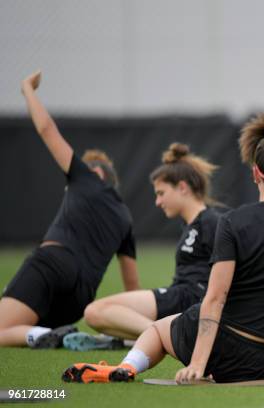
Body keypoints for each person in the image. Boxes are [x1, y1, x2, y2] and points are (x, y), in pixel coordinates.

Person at [62, 113, 264, 384]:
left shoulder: (230, 221)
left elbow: (215, 298)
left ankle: (129, 367)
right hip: (258, 359)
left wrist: (197, 363)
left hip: (207, 342)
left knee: (158, 330)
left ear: (256, 174)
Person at [0, 70, 138, 348]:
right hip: (79, 298)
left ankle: (41, 334)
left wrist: (28, 89)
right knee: (22, 319)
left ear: (97, 172)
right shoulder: (125, 217)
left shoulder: (85, 178)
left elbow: (47, 129)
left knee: (4, 328)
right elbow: (133, 286)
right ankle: (52, 332)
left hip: (52, 264)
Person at [63, 143, 221, 350]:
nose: (157, 201)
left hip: (189, 299)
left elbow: (231, 269)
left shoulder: (211, 221)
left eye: (161, 193)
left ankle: (163, 334)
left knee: (95, 312)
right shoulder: (191, 225)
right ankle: (135, 338)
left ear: (182, 188)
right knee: (98, 317)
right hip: (179, 297)